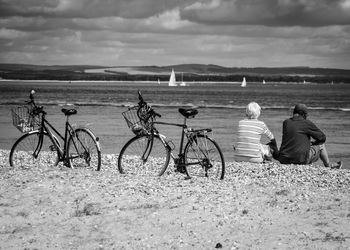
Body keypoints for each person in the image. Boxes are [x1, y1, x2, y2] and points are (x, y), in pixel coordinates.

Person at [278, 104, 342, 169]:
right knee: (321, 145)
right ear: (304, 114)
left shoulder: (286, 122)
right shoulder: (306, 123)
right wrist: (314, 143)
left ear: (294, 112)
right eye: (306, 114)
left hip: (284, 159)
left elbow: (295, 137)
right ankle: (328, 167)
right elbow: (322, 138)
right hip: (300, 159)